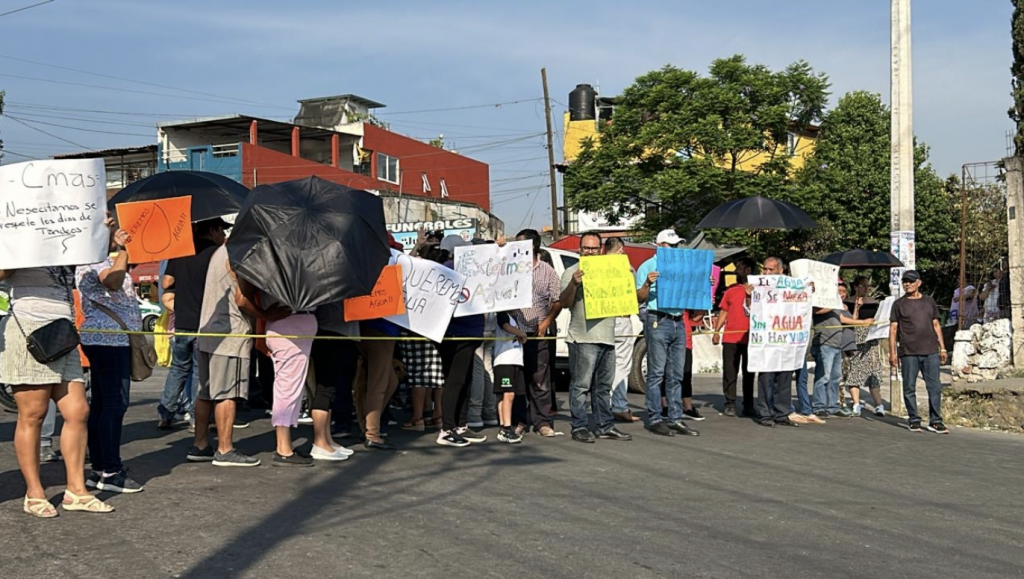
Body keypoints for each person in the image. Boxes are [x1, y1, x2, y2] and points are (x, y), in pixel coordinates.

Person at [2, 253, 116, 516]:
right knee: (33, 413)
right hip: (28, 327)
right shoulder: (16, 232)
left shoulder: (66, 236)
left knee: (77, 411)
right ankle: (34, 492)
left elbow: (91, 255)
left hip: (62, 331)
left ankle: (76, 490)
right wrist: (21, 247)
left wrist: (103, 233)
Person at [186, 244, 274, 467]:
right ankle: (225, 449)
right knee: (227, 393)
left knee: (205, 393)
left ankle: (200, 444)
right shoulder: (240, 253)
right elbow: (242, 298)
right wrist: (266, 314)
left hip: (208, 331)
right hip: (230, 333)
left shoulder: (220, 251)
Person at [76, 229, 145, 492]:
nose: (115, 229)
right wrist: (125, 250)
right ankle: (111, 470)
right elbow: (113, 282)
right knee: (114, 404)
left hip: (110, 340)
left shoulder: (103, 258)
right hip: (108, 340)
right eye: (107, 225)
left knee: (103, 404)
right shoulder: (92, 260)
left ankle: (99, 468)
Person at [157, 218, 229, 429]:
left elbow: (166, 282)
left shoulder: (181, 252)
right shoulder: (217, 254)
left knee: (178, 368)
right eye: (221, 231)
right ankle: (197, 417)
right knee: (200, 371)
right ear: (212, 229)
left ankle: (165, 412)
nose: (222, 236)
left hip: (182, 320)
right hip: (205, 321)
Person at [560, 232, 632, 443]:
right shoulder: (572, 271)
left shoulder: (610, 272)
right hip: (582, 338)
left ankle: (604, 426)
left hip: (607, 337)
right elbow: (564, 303)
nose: (589, 251)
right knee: (580, 386)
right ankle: (579, 426)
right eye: (586, 248)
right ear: (579, 248)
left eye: (593, 248)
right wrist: (574, 284)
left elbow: (629, 301)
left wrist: (627, 277)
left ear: (600, 249)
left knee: (603, 387)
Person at [635, 229, 698, 437]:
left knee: (676, 374)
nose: (674, 249)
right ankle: (655, 418)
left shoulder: (683, 266)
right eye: (670, 245)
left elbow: (693, 292)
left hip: (678, 320)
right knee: (656, 373)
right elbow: (639, 298)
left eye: (676, 245)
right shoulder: (648, 266)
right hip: (658, 319)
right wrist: (647, 283)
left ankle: (675, 418)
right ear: (659, 245)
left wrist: (704, 286)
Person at [436, 235, 487, 447]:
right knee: (456, 381)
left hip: (466, 332)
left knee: (462, 380)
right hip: (458, 334)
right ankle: (447, 429)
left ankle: (459, 425)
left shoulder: (453, 268)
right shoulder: (449, 268)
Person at [513, 229, 562, 438]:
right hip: (513, 334)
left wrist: (546, 323)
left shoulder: (548, 271)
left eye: (519, 244)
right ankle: (518, 421)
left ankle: (542, 421)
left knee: (540, 379)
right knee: (517, 380)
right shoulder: (510, 270)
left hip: (538, 333)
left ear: (532, 246)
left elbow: (557, 302)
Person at [889, 270, 948, 434]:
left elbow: (936, 325)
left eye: (910, 281)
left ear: (919, 283)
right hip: (908, 352)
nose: (907, 284)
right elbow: (893, 330)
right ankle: (914, 419)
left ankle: (935, 421)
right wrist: (892, 353)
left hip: (930, 351)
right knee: (909, 387)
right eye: (905, 281)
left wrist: (942, 347)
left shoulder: (929, 302)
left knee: (934, 386)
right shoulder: (899, 304)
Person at [810, 280, 873, 419]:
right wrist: (833, 304)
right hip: (824, 343)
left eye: (844, 292)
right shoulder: (821, 302)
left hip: (837, 345)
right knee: (823, 376)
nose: (842, 294)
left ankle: (832, 406)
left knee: (835, 377)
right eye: (839, 292)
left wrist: (863, 322)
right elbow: (816, 310)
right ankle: (819, 406)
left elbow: (844, 319)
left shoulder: (838, 306)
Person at [308, 302, 360, 461]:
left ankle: (327, 439)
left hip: (341, 330)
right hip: (331, 330)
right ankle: (319, 442)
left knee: (330, 389)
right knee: (325, 388)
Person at [712, 257, 756, 417]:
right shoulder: (731, 290)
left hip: (752, 337)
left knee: (749, 373)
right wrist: (717, 331)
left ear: (748, 270)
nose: (737, 271)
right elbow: (723, 311)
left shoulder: (759, 290)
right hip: (731, 338)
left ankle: (749, 404)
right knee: (730, 372)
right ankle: (730, 403)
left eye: (740, 267)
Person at [604, 237, 640, 423]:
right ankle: (618, 405)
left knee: (602, 366)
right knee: (622, 365)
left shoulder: (596, 267)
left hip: (600, 320)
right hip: (622, 318)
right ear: (620, 249)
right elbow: (633, 294)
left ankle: (603, 405)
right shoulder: (627, 269)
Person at [844, 277, 886, 416]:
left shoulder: (874, 303)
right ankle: (856, 403)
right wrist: (856, 306)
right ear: (856, 287)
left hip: (870, 338)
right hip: (854, 337)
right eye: (863, 286)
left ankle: (878, 405)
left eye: (868, 286)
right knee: (854, 369)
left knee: (873, 370)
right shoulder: (848, 302)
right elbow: (851, 320)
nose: (866, 289)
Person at [493, 310, 527, 444]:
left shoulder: (514, 318)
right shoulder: (502, 314)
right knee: (508, 394)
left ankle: (504, 426)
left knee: (507, 394)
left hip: (515, 361)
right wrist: (521, 333)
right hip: (504, 361)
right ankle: (506, 427)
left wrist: (520, 336)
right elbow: (505, 326)